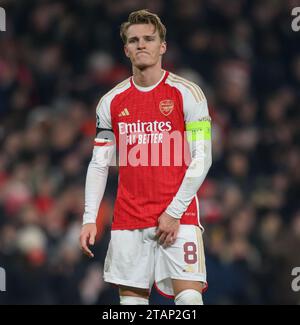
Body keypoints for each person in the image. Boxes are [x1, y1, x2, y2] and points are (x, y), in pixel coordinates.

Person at [80, 9, 212, 305]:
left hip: (180, 217)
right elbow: (99, 163)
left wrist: (174, 212)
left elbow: (202, 159)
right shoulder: (111, 102)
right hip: (129, 219)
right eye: (134, 40)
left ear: (162, 46)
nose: (141, 44)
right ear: (126, 49)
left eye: (149, 39)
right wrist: (90, 218)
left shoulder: (189, 93)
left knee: (189, 301)